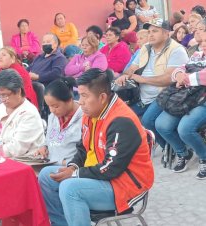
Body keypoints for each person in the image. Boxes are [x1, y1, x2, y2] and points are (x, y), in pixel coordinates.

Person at [38, 69, 154, 226]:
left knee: (70, 188)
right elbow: (83, 148)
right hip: (101, 175)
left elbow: (111, 168)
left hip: (124, 185)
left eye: (85, 96)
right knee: (45, 175)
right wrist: (73, 167)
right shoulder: (90, 112)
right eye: (79, 95)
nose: (81, 101)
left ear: (102, 97)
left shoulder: (121, 121)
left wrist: (75, 174)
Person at [115, 18, 189, 148]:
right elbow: (131, 68)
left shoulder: (177, 50)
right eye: (149, 31)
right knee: (126, 116)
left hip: (166, 94)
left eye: (155, 31)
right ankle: (165, 145)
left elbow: (170, 79)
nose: (150, 35)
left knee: (147, 121)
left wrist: (142, 79)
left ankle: (179, 149)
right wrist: (124, 76)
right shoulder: (145, 48)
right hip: (142, 96)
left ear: (166, 33)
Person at [155, 30, 206, 179]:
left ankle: (203, 156)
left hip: (202, 100)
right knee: (161, 125)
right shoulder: (197, 55)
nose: (203, 45)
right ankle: (183, 152)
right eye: (201, 42)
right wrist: (178, 75)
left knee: (185, 128)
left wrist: (186, 79)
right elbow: (181, 67)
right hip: (185, 97)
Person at [0, 69, 44, 158]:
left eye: (5, 95)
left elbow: (16, 148)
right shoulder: (0, 108)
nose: (2, 99)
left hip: (20, 162)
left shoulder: (29, 114)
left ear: (18, 91)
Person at [35, 77, 82, 165]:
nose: (52, 110)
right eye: (49, 106)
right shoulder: (53, 116)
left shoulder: (84, 119)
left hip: (69, 167)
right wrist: (44, 146)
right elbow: (48, 139)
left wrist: (66, 163)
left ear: (69, 100)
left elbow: (84, 153)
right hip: (49, 163)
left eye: (56, 106)